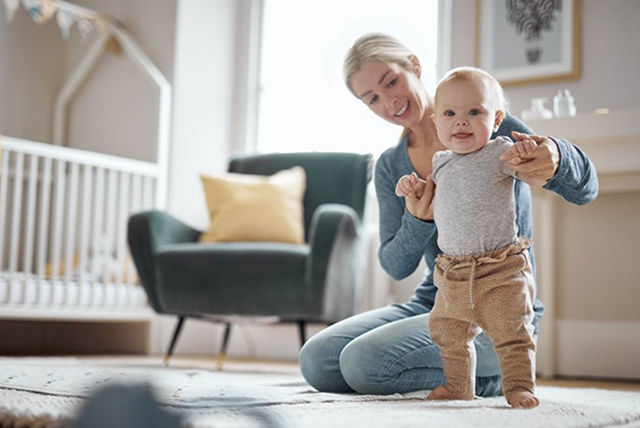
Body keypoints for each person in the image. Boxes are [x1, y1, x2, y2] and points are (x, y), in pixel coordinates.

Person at [298, 33, 598, 399]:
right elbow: (394, 265)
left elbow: (585, 190)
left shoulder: (490, 127)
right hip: (440, 299)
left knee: (363, 364)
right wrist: (418, 221)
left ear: (414, 66)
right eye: (371, 98)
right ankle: (458, 371)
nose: (388, 101)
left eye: (391, 81)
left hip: (499, 303)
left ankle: (492, 375)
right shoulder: (392, 166)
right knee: (318, 361)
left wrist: (558, 154)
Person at [395, 66, 538, 408]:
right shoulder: (440, 162)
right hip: (453, 272)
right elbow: (429, 200)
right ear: (436, 121)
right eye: (450, 113)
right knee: (447, 332)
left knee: (512, 332)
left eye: (474, 112)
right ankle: (459, 385)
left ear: (497, 119)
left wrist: (529, 153)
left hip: (500, 269)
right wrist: (411, 188)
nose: (461, 121)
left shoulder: (500, 151)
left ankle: (519, 385)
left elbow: (528, 169)